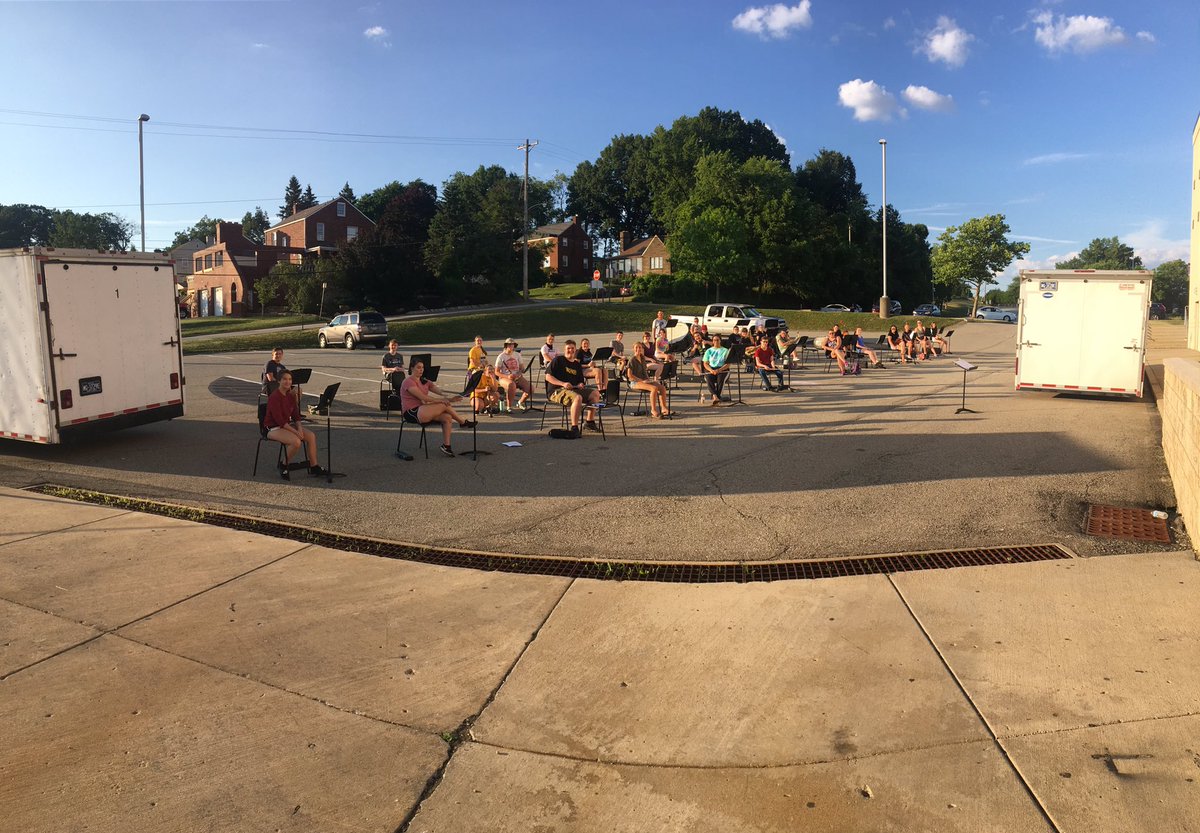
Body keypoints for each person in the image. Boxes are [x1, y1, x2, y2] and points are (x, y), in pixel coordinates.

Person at [400, 359, 476, 457]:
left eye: (422, 367)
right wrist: (446, 400)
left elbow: (440, 391)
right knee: (444, 404)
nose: (421, 370)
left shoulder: (425, 381)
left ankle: (446, 446)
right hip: (411, 413)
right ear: (411, 368)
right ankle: (462, 422)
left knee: (447, 417)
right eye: (418, 367)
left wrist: (449, 396)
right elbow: (423, 397)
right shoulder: (408, 382)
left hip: (424, 410)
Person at [264, 371, 324, 480]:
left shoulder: (290, 396)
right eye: (285, 379)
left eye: (290, 379)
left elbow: (296, 416)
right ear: (279, 381)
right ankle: (283, 465)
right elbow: (280, 421)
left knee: (311, 436)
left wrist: (300, 429)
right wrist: (296, 432)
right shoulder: (274, 397)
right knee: (296, 442)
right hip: (273, 428)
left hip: (286, 425)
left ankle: (314, 466)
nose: (288, 382)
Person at [545, 339, 602, 435]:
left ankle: (589, 422)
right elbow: (548, 377)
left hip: (573, 390)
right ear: (564, 349)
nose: (570, 350)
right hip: (557, 390)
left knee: (595, 394)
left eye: (572, 348)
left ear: (575, 350)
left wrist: (580, 385)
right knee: (577, 397)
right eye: (568, 348)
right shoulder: (558, 360)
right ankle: (574, 428)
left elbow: (580, 381)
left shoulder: (576, 365)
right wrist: (562, 384)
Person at [626, 341, 673, 418]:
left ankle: (664, 408)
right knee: (654, 388)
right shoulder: (632, 359)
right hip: (635, 382)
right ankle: (653, 410)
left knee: (662, 388)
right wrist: (641, 381)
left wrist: (649, 380)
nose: (638, 349)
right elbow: (630, 375)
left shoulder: (642, 358)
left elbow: (645, 372)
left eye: (640, 347)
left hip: (644, 380)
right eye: (636, 347)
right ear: (633, 349)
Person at [494, 338, 531, 412]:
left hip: (517, 376)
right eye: (509, 344)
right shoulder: (501, 356)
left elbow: (522, 368)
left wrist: (519, 374)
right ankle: (509, 407)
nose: (511, 346)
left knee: (530, 388)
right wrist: (507, 376)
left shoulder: (517, 355)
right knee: (512, 385)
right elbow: (496, 372)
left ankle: (520, 402)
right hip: (505, 377)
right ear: (506, 346)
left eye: (513, 344)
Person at [702, 334, 731, 406]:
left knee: (720, 379)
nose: (716, 341)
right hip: (711, 368)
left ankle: (717, 397)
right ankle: (715, 396)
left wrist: (719, 370)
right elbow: (705, 364)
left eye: (717, 340)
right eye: (714, 340)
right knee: (708, 378)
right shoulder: (709, 351)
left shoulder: (725, 350)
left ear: (720, 341)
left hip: (723, 369)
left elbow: (728, 364)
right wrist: (711, 370)